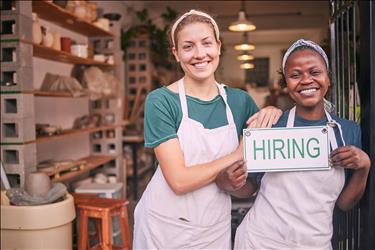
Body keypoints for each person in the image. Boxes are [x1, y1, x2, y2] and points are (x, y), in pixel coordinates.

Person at [133, 9, 282, 249]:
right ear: (176, 53)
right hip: (164, 227)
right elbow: (179, 180)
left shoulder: (240, 102)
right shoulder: (161, 101)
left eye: (206, 43)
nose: (200, 54)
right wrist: (237, 154)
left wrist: (273, 112)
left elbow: (259, 172)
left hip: (214, 226)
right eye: (188, 46)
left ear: (219, 46)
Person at [233, 39, 371, 250]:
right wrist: (229, 180)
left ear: (328, 79)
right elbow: (249, 187)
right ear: (286, 83)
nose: (306, 80)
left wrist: (364, 167)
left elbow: (344, 204)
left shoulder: (347, 131)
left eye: (315, 72)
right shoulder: (271, 126)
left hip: (316, 244)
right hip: (261, 242)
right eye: (295, 75)